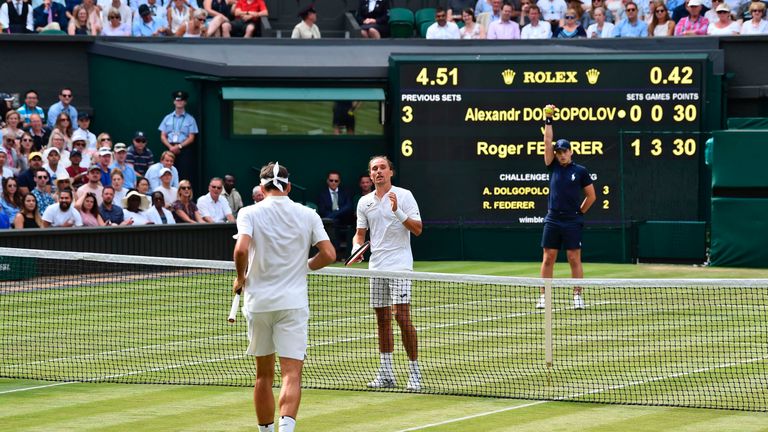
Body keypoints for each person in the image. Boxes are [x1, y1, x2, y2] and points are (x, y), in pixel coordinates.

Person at [232, 161, 335, 432]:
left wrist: (241, 277)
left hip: (259, 304)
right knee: (292, 373)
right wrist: (306, 265)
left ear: (262, 188)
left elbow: (241, 250)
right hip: (292, 303)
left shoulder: (248, 213)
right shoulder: (308, 214)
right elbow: (329, 254)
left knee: (263, 375)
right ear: (288, 186)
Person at [351, 155, 423, 391]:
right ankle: (386, 372)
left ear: (391, 172)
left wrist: (398, 211)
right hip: (376, 267)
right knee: (382, 319)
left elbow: (418, 229)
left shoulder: (405, 195)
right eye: (374, 169)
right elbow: (360, 234)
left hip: (400, 265)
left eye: (383, 167)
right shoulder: (364, 202)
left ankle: (415, 373)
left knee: (401, 318)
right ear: (370, 175)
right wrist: (356, 249)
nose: (379, 171)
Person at [537, 104, 596, 311]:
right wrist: (548, 119)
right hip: (553, 218)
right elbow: (546, 142)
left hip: (572, 220)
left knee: (573, 257)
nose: (561, 154)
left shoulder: (580, 171)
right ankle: (544, 297)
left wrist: (580, 212)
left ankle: (578, 296)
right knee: (548, 257)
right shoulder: (551, 165)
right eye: (558, 151)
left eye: (564, 151)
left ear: (571, 152)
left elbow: (591, 196)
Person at [158, 91, 198, 181]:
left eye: (182, 100)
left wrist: (179, 146)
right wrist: (170, 147)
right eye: (177, 100)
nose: (179, 102)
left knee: (184, 174)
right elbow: (163, 135)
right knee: (167, 171)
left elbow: (191, 138)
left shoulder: (190, 119)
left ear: (185, 102)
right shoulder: (167, 118)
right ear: (174, 101)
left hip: (183, 149)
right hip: (169, 148)